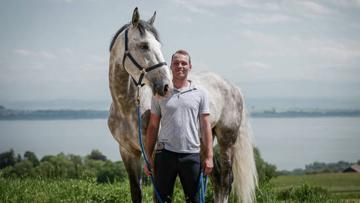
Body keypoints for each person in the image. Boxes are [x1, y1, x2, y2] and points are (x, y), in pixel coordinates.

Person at [144, 49, 214, 203]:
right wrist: (148, 156)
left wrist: (209, 156)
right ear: (170, 66)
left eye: (184, 63)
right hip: (164, 155)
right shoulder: (160, 93)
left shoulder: (200, 93)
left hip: (191, 155)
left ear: (190, 66)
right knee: (162, 200)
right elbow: (153, 126)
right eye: (176, 63)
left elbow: (205, 125)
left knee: (194, 200)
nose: (180, 66)